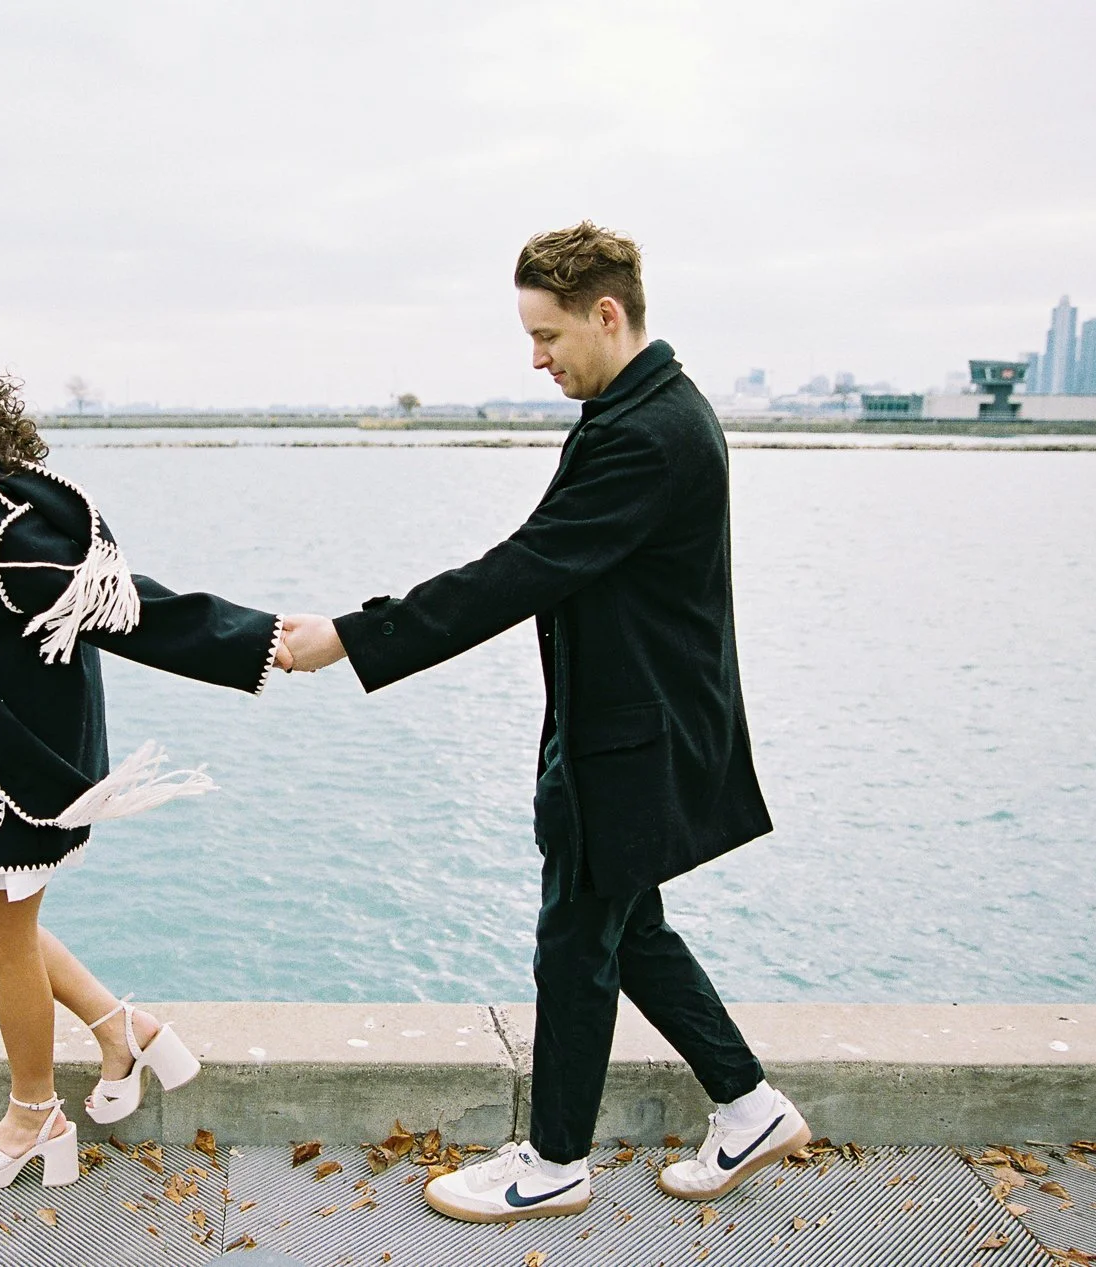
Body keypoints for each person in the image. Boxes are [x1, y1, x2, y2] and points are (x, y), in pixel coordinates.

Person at [281, 222, 809, 1221]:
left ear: (607, 315)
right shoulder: (644, 407)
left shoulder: (650, 432)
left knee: (577, 936)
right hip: (627, 719)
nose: (536, 358)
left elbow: (524, 568)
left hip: (632, 734)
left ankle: (557, 1160)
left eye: (548, 334)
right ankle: (747, 1103)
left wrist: (352, 637)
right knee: (627, 923)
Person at [0, 327, 290, 1190]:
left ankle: (34, 1116)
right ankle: (122, 1029)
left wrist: (259, 642)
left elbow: (118, 605)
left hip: (13, 780)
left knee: (4, 942)